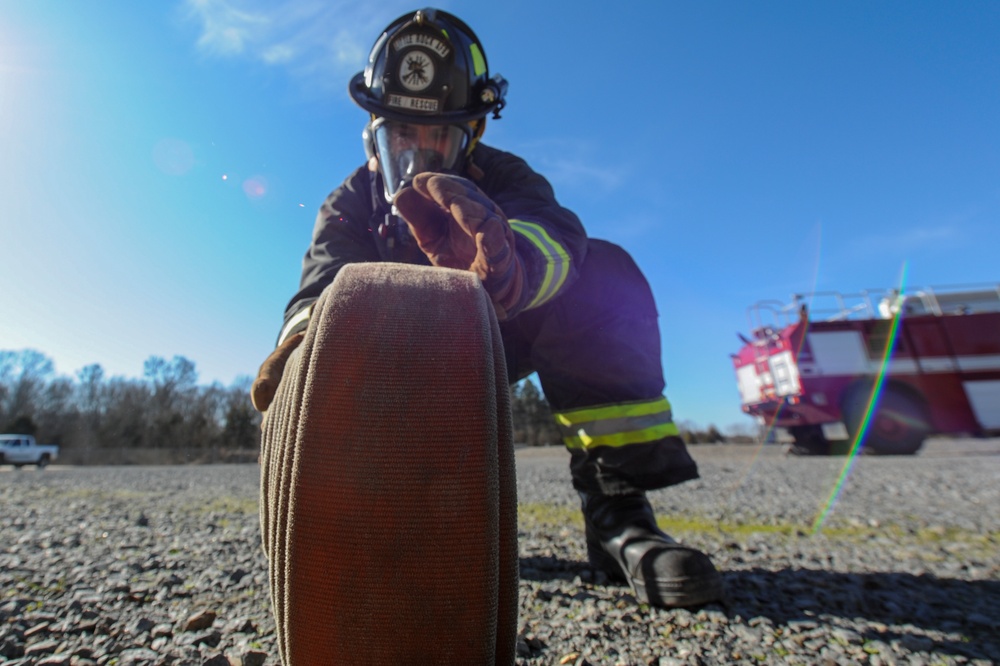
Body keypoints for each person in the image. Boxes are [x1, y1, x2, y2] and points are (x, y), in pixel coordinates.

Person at [251, 7, 723, 609]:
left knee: (603, 273)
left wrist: (510, 266)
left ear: (471, 134)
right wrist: (307, 346)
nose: (419, 158)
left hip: (487, 339)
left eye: (437, 138)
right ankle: (367, 521)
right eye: (402, 136)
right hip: (389, 372)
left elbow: (561, 240)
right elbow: (315, 291)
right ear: (373, 135)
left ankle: (619, 514)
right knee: (326, 370)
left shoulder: (504, 178)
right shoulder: (349, 203)